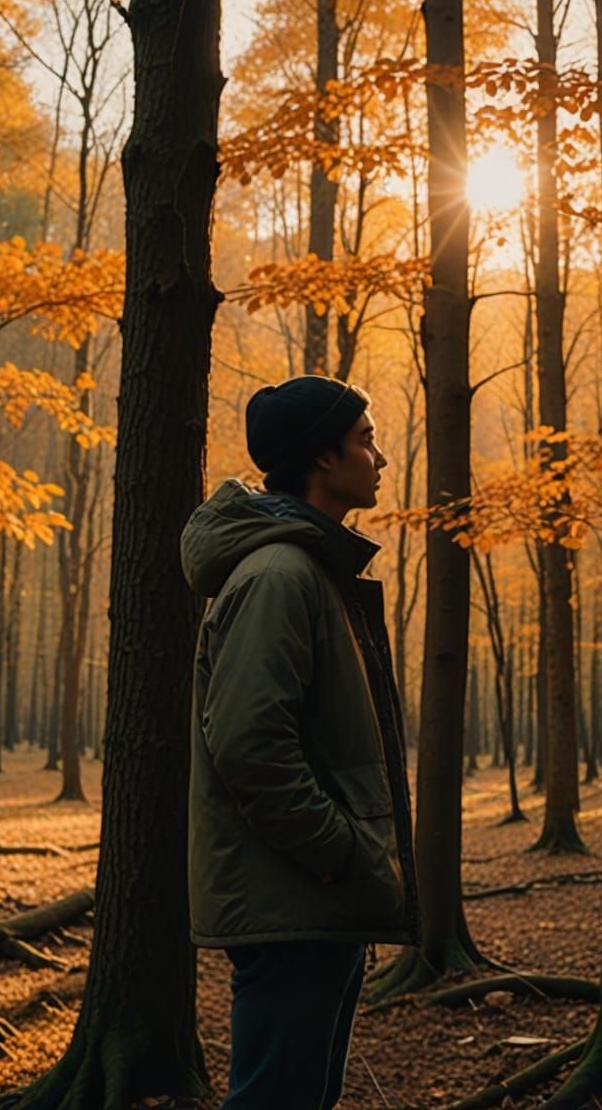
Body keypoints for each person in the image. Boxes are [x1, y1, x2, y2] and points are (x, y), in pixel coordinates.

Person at [181, 375, 419, 1110]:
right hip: (294, 902)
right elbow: (251, 744)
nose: (378, 457)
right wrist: (339, 852)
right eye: (365, 439)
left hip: (314, 901)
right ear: (321, 457)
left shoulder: (309, 568)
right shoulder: (281, 576)